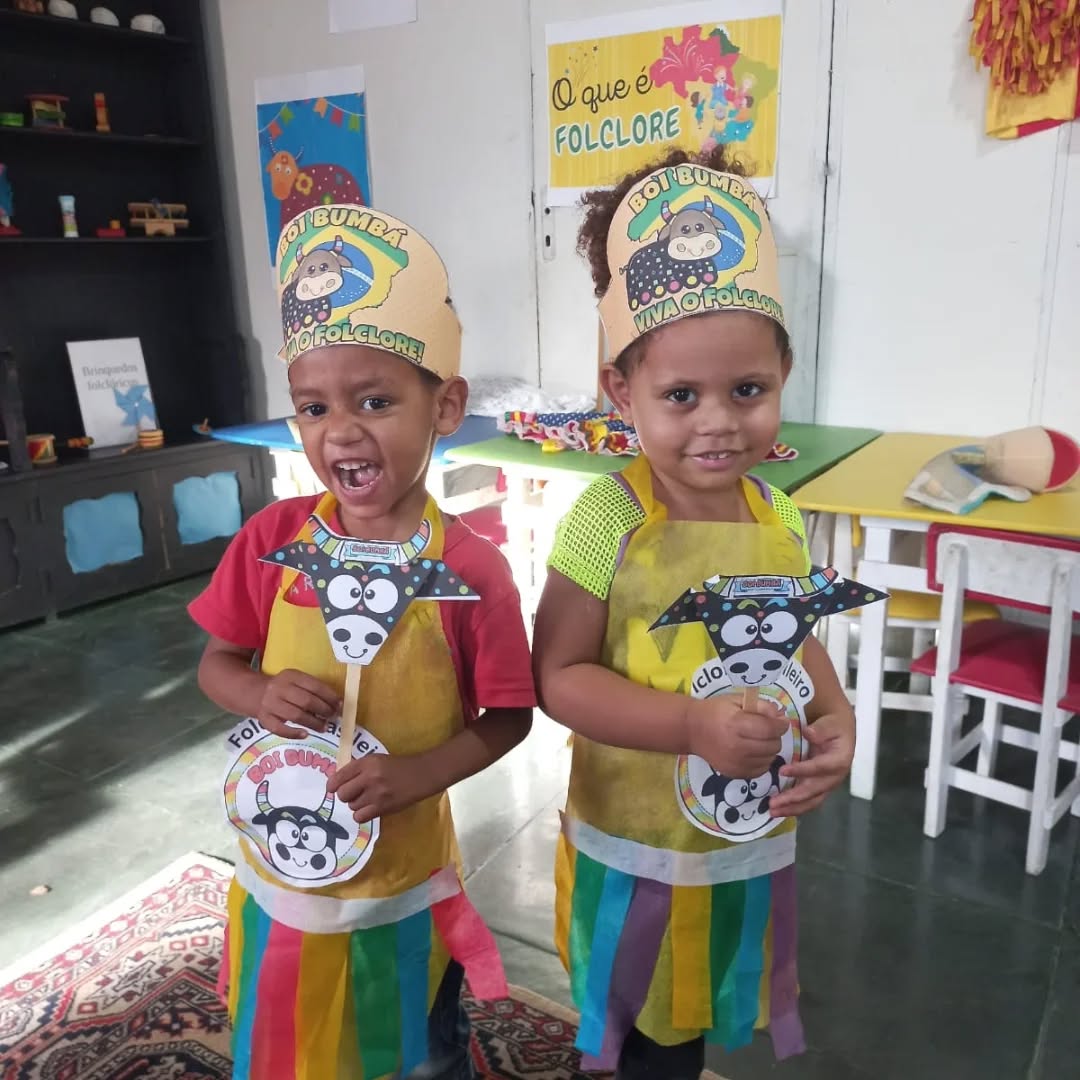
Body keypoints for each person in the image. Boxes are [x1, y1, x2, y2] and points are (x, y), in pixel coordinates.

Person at [190, 203, 534, 1080]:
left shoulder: (473, 570)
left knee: (418, 1054)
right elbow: (216, 665)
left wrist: (420, 773)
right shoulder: (272, 540)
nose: (340, 431)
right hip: (285, 872)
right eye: (314, 408)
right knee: (295, 1048)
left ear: (444, 406)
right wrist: (256, 692)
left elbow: (509, 717)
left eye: (375, 401)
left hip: (403, 885)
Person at [532, 146, 855, 1079]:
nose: (718, 421)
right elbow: (558, 679)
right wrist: (689, 725)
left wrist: (834, 715)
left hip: (735, 837)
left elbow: (794, 644)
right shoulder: (607, 519)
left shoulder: (779, 516)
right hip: (631, 851)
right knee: (635, 1034)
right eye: (681, 396)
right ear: (621, 391)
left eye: (747, 391)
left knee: (699, 1012)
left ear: (783, 372)